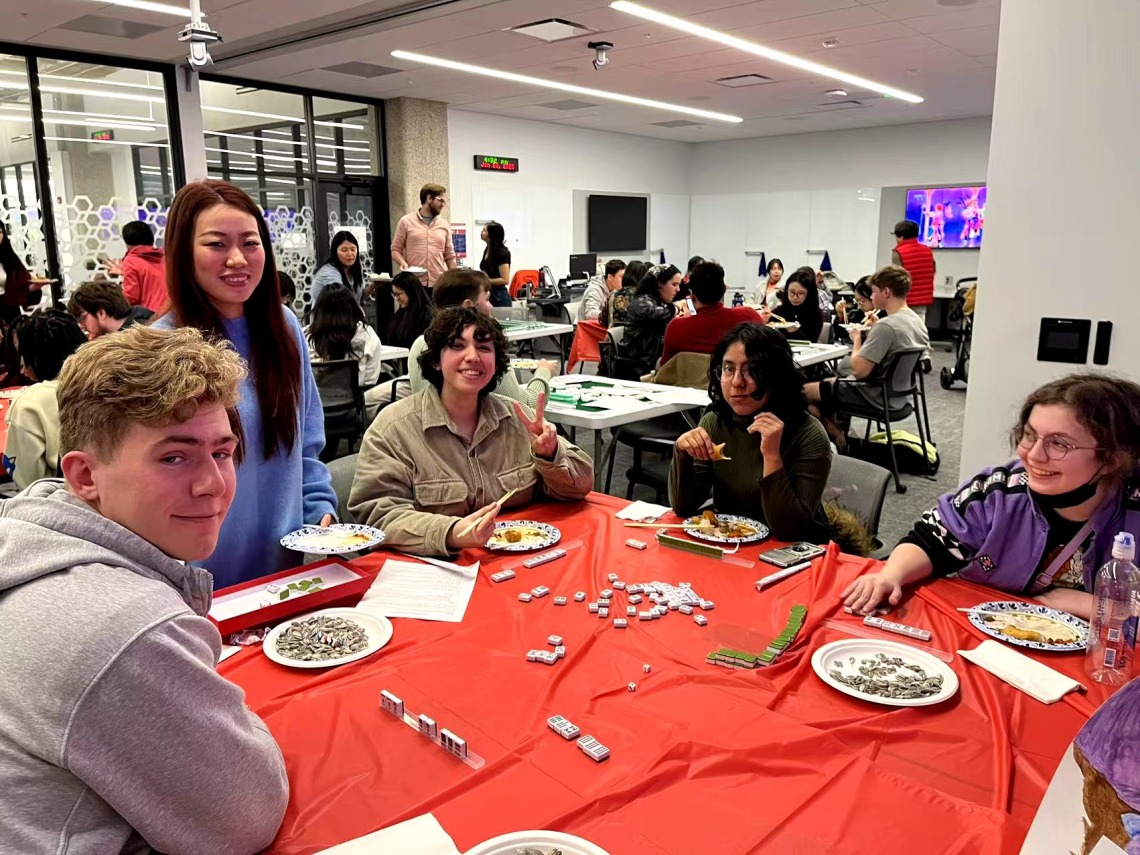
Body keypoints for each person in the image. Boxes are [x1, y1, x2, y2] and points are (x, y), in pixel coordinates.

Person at [0, 324, 288, 854]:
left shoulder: (26, 538)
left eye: (222, 453)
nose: (213, 485)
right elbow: (247, 815)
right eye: (174, 457)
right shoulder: (123, 627)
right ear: (84, 476)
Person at [153, 179, 337, 587]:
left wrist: (319, 506)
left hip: (285, 569)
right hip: (199, 582)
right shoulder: (163, 346)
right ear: (183, 252)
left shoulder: (284, 327)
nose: (237, 259)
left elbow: (306, 439)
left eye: (250, 244)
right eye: (216, 244)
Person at [842, 374, 1140, 621]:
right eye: (1030, 435)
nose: (1034, 456)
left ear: (1112, 460)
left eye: (1059, 444)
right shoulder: (997, 493)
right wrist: (890, 575)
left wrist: (1093, 607)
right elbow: (931, 541)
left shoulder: (1132, 513)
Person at [348, 307, 593, 555]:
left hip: (515, 563)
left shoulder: (518, 419)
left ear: (496, 363)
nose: (473, 356)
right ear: (435, 359)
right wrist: (452, 532)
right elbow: (377, 516)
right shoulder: (394, 428)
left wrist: (550, 456)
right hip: (436, 571)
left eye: (484, 348)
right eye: (457, 345)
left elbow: (581, 487)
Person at [669, 323, 831, 542]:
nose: (737, 382)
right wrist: (682, 453)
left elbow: (789, 530)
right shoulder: (714, 422)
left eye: (751, 370)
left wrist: (772, 456)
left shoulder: (808, 433)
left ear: (776, 376)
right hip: (731, 545)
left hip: (793, 555)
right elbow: (683, 507)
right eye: (728, 369)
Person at [804, 265, 930, 446]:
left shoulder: (886, 327)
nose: (871, 296)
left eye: (873, 292)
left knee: (803, 392)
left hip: (873, 396)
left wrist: (856, 339)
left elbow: (859, 371)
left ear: (886, 292)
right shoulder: (915, 321)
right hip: (899, 397)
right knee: (828, 384)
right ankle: (839, 437)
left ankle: (838, 438)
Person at [405, 268, 555, 410]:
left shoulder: (419, 344)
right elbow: (525, 408)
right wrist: (543, 372)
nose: (491, 307)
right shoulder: (487, 345)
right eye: (487, 299)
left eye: (482, 348)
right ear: (469, 306)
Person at [2, 309, 86, 488]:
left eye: (22, 352)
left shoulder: (30, 404)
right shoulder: (106, 379)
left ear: (39, 354)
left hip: (62, 501)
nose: (21, 365)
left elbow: (28, 481)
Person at [660, 261, 763, 364]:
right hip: (733, 379)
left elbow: (664, 367)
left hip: (686, 379)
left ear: (692, 296)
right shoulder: (749, 317)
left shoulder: (676, 327)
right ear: (724, 289)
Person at [305, 285, 383, 388]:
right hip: (356, 401)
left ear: (319, 311)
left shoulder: (305, 336)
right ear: (353, 308)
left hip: (315, 402)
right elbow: (370, 381)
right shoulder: (367, 335)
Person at [391, 183, 457, 288]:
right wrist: (402, 262)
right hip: (414, 283)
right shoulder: (406, 221)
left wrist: (455, 279)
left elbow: (449, 255)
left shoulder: (444, 225)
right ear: (429, 198)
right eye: (440, 200)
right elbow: (395, 250)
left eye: (444, 201)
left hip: (439, 283)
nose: (443, 204)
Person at [621, 264, 682, 375]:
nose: (678, 289)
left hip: (653, 360)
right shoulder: (641, 302)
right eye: (674, 284)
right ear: (659, 283)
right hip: (640, 365)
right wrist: (677, 308)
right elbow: (656, 314)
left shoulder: (658, 302)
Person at [891, 219, 935, 371]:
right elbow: (932, 270)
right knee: (920, 325)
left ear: (901, 237)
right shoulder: (927, 250)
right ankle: (925, 356)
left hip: (905, 296)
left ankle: (907, 361)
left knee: (904, 328)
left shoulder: (898, 252)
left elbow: (896, 275)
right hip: (923, 295)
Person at [0, 221, 51, 324]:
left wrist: (36, 286)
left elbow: (20, 290)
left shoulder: (10, 258)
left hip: (10, 315)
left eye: (0, 232)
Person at [66, 279, 154, 339]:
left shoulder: (137, 339)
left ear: (101, 313)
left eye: (82, 318)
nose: (82, 326)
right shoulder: (139, 323)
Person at [112, 220, 167, 313]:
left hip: (150, 316)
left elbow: (132, 297)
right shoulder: (164, 257)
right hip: (171, 313)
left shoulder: (131, 261)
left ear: (127, 241)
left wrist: (113, 300)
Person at [311, 230, 364, 307]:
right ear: (335, 252)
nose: (350, 254)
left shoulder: (354, 270)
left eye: (353, 249)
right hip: (327, 318)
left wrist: (373, 286)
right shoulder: (328, 272)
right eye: (344, 250)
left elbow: (357, 298)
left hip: (347, 317)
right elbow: (341, 301)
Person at [773, 266, 824, 343]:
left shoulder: (815, 314)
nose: (795, 297)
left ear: (809, 294)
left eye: (800, 293)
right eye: (792, 292)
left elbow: (811, 342)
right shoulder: (779, 311)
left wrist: (795, 332)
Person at [386, 270, 435, 349]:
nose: (396, 298)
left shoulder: (427, 315)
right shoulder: (400, 313)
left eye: (399, 294)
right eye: (394, 295)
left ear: (410, 292)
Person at [579, 258, 625, 324]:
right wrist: (610, 315)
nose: (624, 280)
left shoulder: (618, 290)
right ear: (610, 277)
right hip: (585, 329)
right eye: (621, 277)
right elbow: (589, 313)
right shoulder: (594, 289)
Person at [479, 221, 513, 307]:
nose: (481, 232)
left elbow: (505, 280)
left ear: (491, 235)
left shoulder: (501, 254)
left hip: (500, 297)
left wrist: (485, 280)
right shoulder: (487, 250)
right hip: (489, 294)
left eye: (484, 230)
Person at [609, 258, 646, 327]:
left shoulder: (615, 294)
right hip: (636, 335)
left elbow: (604, 318)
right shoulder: (644, 296)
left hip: (616, 335)